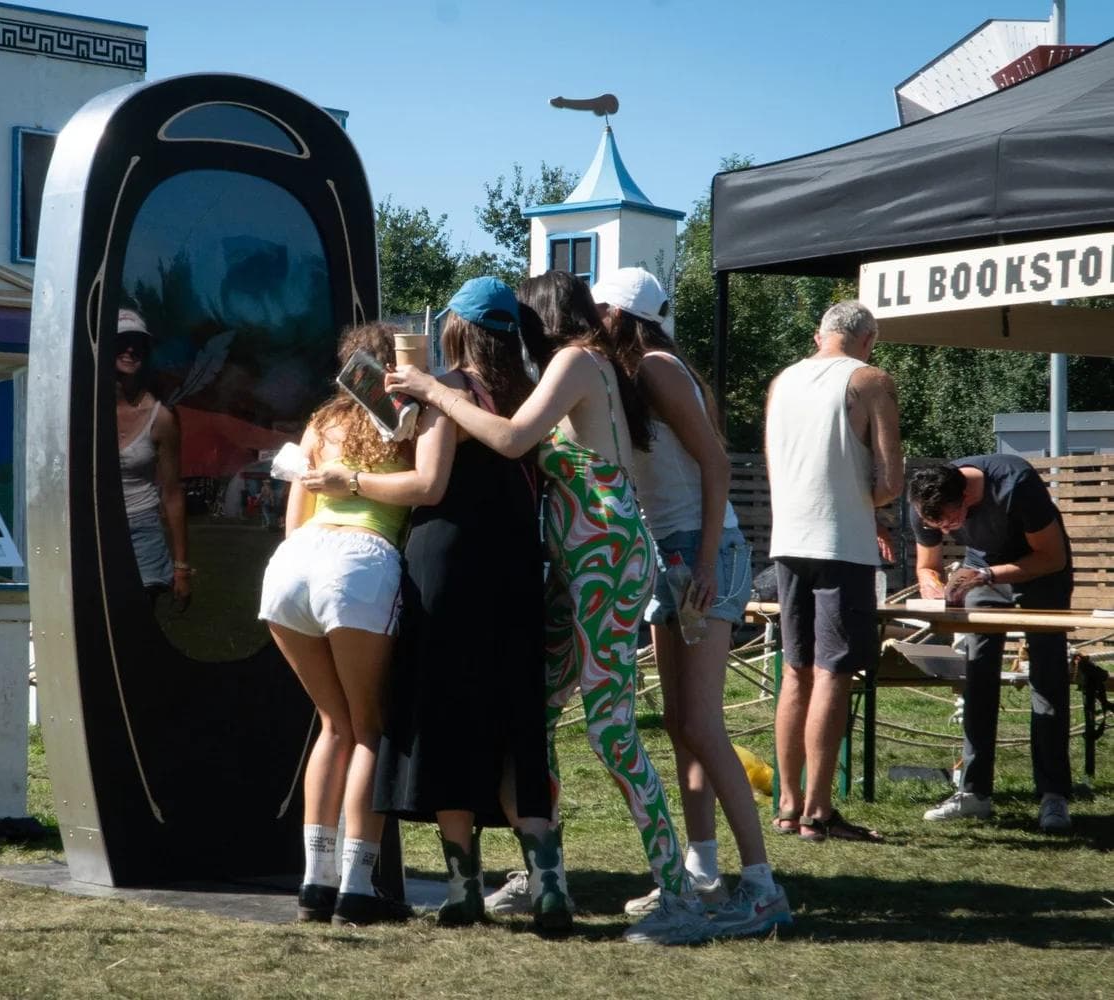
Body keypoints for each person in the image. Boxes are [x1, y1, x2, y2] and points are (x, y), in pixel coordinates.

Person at [386, 272, 710, 946]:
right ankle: (545, 877)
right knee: (532, 715)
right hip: (581, 560)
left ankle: (680, 894)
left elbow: (510, 440)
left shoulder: (573, 359)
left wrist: (431, 389)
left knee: (612, 731)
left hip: (603, 556)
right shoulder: (581, 365)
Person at [303, 279, 562, 932]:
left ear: (455, 329)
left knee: (445, 720)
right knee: (519, 725)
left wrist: (352, 476)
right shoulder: (528, 396)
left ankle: (462, 888)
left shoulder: (448, 388)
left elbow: (427, 482)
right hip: (517, 569)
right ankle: (549, 883)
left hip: (446, 565)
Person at [587, 267, 789, 937]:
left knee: (702, 725)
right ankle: (701, 874)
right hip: (674, 555)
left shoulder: (658, 368)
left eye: (602, 308)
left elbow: (717, 463)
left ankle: (760, 887)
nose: (593, 317)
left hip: (703, 555)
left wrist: (703, 561)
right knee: (681, 726)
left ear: (623, 314)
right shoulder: (637, 370)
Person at [259, 323, 416, 926]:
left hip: (293, 566)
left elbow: (295, 516)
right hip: (360, 563)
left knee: (332, 726)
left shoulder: (319, 424)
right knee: (370, 730)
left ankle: (313, 881)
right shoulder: (409, 421)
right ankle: (357, 884)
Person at [765, 300, 901, 845]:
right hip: (841, 542)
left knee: (794, 670)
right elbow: (891, 479)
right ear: (868, 339)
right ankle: (819, 811)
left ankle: (787, 802)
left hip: (788, 538)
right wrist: (865, 503)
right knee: (831, 672)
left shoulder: (782, 382)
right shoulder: (870, 380)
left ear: (820, 335)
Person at [908, 458, 1074, 832]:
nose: (946, 533)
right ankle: (973, 793)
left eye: (952, 523)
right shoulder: (926, 500)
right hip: (980, 578)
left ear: (967, 496)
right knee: (978, 678)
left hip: (1041, 572)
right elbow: (926, 565)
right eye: (937, 527)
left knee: (1047, 680)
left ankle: (1053, 796)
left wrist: (985, 574)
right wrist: (932, 583)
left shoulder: (1016, 485)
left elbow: (1052, 557)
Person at [115, 308, 191, 609]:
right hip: (93, 526)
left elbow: (172, 494)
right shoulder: (84, 408)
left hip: (142, 527)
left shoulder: (161, 418)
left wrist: (181, 567)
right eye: (122, 341)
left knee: (139, 620)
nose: (130, 349)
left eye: (138, 342)